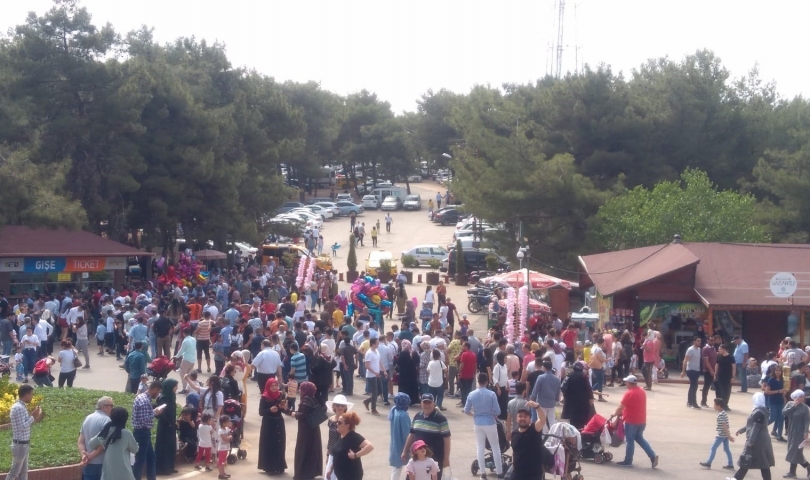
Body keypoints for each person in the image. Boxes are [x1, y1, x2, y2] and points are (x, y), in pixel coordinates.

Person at [402, 394, 452, 480]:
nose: (427, 405)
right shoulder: (417, 416)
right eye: (425, 402)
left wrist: (446, 458)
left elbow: (447, 439)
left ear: (434, 403)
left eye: (429, 402)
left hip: (434, 458)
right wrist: (405, 451)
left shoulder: (441, 419)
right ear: (421, 403)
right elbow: (411, 435)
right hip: (417, 457)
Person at [613, 375, 659, 468]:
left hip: (631, 421)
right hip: (641, 420)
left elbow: (621, 407)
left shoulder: (629, 393)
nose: (626, 384)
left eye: (626, 382)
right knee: (640, 438)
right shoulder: (641, 391)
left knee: (630, 441)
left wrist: (615, 414)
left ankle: (628, 461)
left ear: (630, 384)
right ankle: (652, 456)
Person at [464, 372, 504, 478]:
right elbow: (498, 411)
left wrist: (475, 415)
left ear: (478, 381)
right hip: (490, 422)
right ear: (487, 381)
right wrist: (493, 414)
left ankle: (483, 473)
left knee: (480, 447)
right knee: (495, 447)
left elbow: (466, 410)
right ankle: (499, 472)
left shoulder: (472, 394)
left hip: (478, 423)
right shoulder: (491, 394)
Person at [85, 407, 139, 480]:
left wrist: (102, 439)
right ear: (125, 419)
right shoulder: (126, 433)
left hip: (108, 474)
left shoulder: (106, 431)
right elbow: (135, 449)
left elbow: (91, 444)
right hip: (125, 473)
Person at [730, 392, 774, 480]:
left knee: (749, 459)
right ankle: (737, 478)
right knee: (759, 461)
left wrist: (751, 441)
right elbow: (752, 424)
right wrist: (742, 430)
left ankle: (737, 478)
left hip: (757, 440)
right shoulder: (762, 410)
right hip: (762, 439)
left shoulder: (758, 412)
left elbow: (756, 428)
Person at [7, 384, 43, 480]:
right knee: (14, 472)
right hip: (20, 446)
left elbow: (25, 423)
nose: (32, 396)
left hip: (23, 444)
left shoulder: (21, 407)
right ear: (26, 394)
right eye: (31, 394)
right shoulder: (18, 408)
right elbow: (21, 427)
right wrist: (33, 417)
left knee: (23, 473)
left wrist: (34, 415)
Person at [132, 380, 165, 480]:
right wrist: (155, 412)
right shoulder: (145, 401)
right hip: (142, 432)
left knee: (151, 457)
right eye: (158, 392)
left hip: (143, 432)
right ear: (155, 389)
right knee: (140, 460)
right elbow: (144, 419)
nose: (158, 394)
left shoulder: (142, 397)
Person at [327, 411, 374, 480]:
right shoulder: (341, 435)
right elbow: (337, 455)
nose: (337, 424)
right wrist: (331, 469)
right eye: (337, 422)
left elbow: (370, 446)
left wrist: (355, 455)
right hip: (341, 476)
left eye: (339, 423)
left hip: (351, 475)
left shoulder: (354, 437)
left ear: (347, 425)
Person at [78, 396, 115, 480]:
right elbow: (104, 443)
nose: (113, 409)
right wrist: (91, 456)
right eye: (111, 406)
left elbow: (80, 441)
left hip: (88, 464)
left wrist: (84, 455)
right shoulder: (107, 420)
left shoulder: (88, 418)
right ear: (104, 407)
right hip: (101, 463)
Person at [510, 401, 548, 480]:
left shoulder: (534, 429)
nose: (522, 418)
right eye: (520, 416)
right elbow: (514, 451)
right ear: (516, 419)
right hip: (517, 474)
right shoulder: (514, 433)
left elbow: (542, 420)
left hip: (533, 475)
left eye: (525, 416)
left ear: (530, 419)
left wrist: (537, 407)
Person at [258, 377, 289, 474]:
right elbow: (261, 412)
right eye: (272, 386)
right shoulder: (265, 397)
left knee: (279, 444)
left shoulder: (280, 395)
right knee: (269, 444)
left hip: (278, 422)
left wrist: (282, 407)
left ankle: (279, 466)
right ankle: (269, 467)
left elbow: (284, 410)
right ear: (268, 386)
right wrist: (269, 410)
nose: (274, 387)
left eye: (275, 385)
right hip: (269, 424)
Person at [294, 382, 324, 479]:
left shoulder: (306, 401)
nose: (299, 390)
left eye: (301, 388)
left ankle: (302, 473)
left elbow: (303, 415)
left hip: (305, 431)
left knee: (303, 450)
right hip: (314, 429)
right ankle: (311, 472)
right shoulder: (313, 399)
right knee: (312, 450)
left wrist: (294, 414)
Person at [699, 398, 735, 470]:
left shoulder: (721, 414)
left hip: (721, 435)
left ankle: (709, 463)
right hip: (724, 435)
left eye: (715, 404)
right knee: (727, 449)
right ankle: (730, 464)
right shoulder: (723, 413)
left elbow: (724, 426)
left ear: (719, 406)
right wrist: (728, 435)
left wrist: (729, 436)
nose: (714, 406)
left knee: (713, 448)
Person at [782, 390, 810, 478]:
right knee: (794, 451)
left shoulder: (805, 408)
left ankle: (792, 472)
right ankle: (807, 467)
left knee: (794, 451)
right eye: (799, 397)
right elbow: (784, 413)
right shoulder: (790, 404)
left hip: (800, 432)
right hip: (791, 430)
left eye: (802, 397)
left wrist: (806, 432)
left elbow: (807, 421)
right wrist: (794, 406)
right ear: (795, 398)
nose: (801, 399)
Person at [326, 395, 354, 480]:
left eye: (342, 405)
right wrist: (327, 454)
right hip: (332, 453)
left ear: (346, 407)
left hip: (342, 454)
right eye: (338, 405)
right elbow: (330, 438)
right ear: (334, 406)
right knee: (328, 477)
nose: (340, 407)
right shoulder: (331, 419)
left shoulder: (348, 420)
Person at [155, 379, 179, 475]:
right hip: (165, 427)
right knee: (164, 447)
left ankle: (170, 466)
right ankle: (163, 468)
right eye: (175, 386)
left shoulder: (171, 397)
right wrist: (168, 422)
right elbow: (159, 413)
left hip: (171, 426)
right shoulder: (164, 398)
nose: (176, 388)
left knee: (171, 446)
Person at [561, 362, 594, 430]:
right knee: (581, 420)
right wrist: (591, 397)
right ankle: (580, 435)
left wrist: (565, 396)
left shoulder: (569, 375)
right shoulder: (583, 376)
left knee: (573, 421)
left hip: (571, 402)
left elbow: (563, 387)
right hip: (582, 402)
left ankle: (573, 435)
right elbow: (588, 387)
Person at [530, 360, 561, 431]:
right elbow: (558, 391)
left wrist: (532, 398)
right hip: (551, 402)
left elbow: (536, 389)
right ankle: (554, 434)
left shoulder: (541, 377)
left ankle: (543, 436)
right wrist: (556, 399)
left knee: (541, 419)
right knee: (552, 420)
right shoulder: (556, 379)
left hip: (541, 402)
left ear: (544, 367)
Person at [389, 392, 412, 480]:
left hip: (395, 443)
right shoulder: (403, 415)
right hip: (402, 445)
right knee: (402, 467)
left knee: (396, 468)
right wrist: (410, 447)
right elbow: (407, 433)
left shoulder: (394, 410)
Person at [362, 337, 386, 415]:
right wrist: (375, 373)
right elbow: (367, 366)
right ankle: (373, 409)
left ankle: (367, 401)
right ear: (373, 344)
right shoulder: (369, 353)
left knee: (380, 390)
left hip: (377, 373)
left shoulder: (376, 351)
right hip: (371, 375)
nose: (378, 344)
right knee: (375, 392)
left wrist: (384, 370)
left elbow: (379, 361)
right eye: (377, 343)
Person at [764, 365, 786, 441]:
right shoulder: (771, 380)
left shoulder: (781, 380)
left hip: (780, 401)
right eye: (776, 370)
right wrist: (778, 391)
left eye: (779, 371)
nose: (778, 372)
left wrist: (784, 398)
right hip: (772, 401)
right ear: (774, 371)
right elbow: (767, 391)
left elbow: (783, 390)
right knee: (773, 417)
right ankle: (761, 427)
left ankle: (779, 435)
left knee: (781, 418)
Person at [681, 336, 703, 409]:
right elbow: (685, 360)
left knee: (692, 386)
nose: (699, 342)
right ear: (694, 341)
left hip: (697, 370)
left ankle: (689, 401)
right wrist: (683, 371)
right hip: (691, 370)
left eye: (700, 341)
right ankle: (694, 403)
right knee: (694, 386)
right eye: (698, 341)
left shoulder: (699, 349)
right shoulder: (690, 350)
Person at [398, 340, 421, 405]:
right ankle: (413, 400)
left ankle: (404, 401)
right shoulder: (413, 352)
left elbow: (399, 362)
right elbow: (418, 361)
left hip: (404, 373)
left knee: (404, 388)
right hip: (413, 373)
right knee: (412, 386)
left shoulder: (403, 353)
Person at [715, 343, 735, 410]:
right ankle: (721, 405)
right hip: (720, 376)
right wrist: (715, 375)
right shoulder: (719, 356)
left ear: (724, 349)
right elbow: (717, 366)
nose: (719, 350)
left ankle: (725, 404)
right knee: (720, 391)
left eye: (720, 349)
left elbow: (733, 367)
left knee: (727, 391)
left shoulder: (731, 357)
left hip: (728, 376)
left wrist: (733, 377)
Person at [216, 415, 233, 480]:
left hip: (225, 448)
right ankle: (221, 474)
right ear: (223, 423)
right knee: (221, 461)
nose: (229, 423)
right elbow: (225, 439)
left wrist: (230, 433)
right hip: (222, 448)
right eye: (228, 422)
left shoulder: (226, 429)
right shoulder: (221, 431)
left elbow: (229, 433)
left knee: (223, 461)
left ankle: (223, 472)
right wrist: (230, 437)